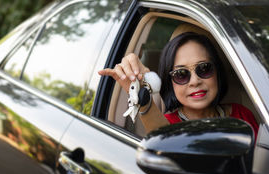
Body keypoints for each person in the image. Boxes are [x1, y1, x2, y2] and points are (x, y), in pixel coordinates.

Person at [98, 32, 259, 136]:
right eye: (181, 74)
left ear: (217, 72)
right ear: (170, 82)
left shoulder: (242, 115)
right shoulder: (167, 123)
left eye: (204, 68)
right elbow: (163, 138)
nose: (195, 81)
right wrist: (141, 94)